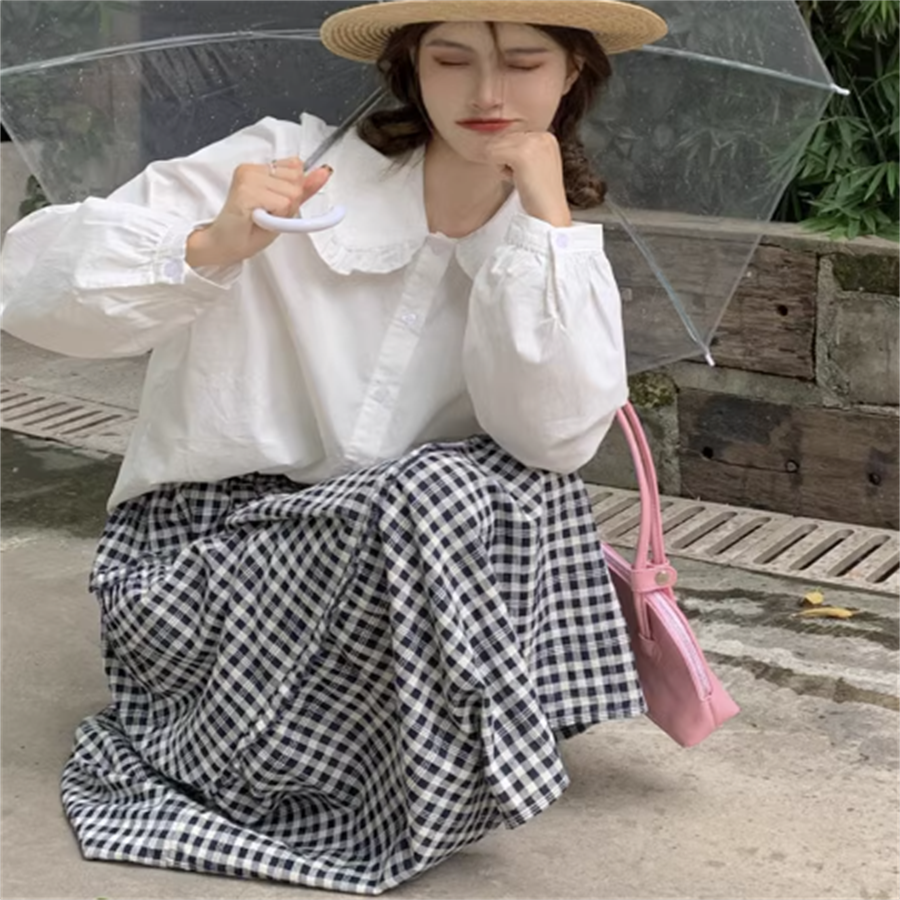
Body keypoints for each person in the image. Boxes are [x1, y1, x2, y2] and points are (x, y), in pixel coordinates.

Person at [0, 0, 668, 893]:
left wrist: (545, 224)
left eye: (524, 62)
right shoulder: (287, 165)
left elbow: (556, 438)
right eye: (451, 60)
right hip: (204, 566)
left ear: (573, 70)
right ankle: (347, 770)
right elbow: (28, 281)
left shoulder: (544, 241)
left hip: (394, 577)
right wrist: (209, 244)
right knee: (435, 493)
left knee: (510, 484)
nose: (487, 93)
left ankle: (393, 756)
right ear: (411, 67)